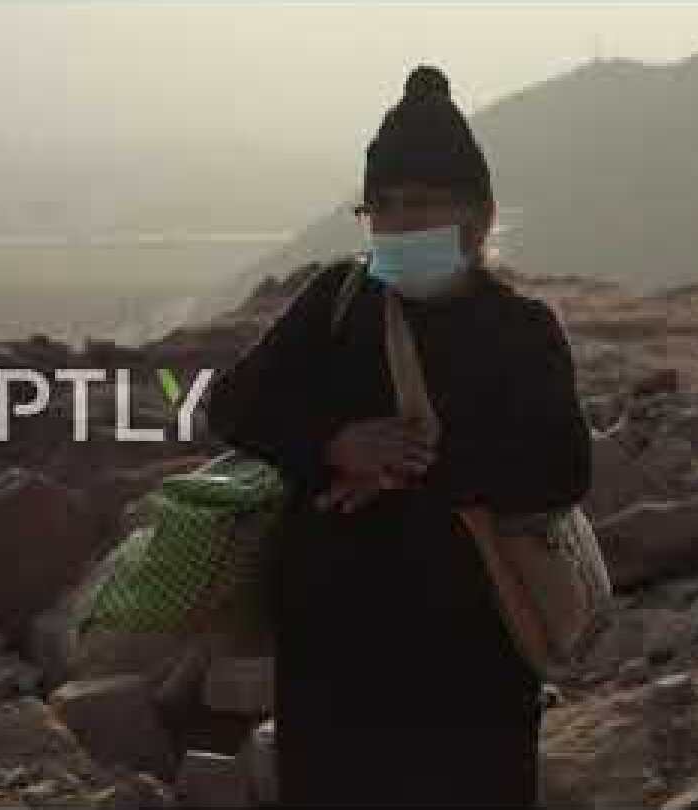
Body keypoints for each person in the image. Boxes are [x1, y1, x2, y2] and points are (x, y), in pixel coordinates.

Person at [205, 64, 592, 807]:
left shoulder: (521, 330)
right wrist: (334, 442)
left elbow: (563, 469)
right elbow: (233, 405)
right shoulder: (336, 304)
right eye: (380, 207)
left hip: (471, 658)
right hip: (333, 656)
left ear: (476, 218)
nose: (397, 223)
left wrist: (413, 466)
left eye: (420, 204)